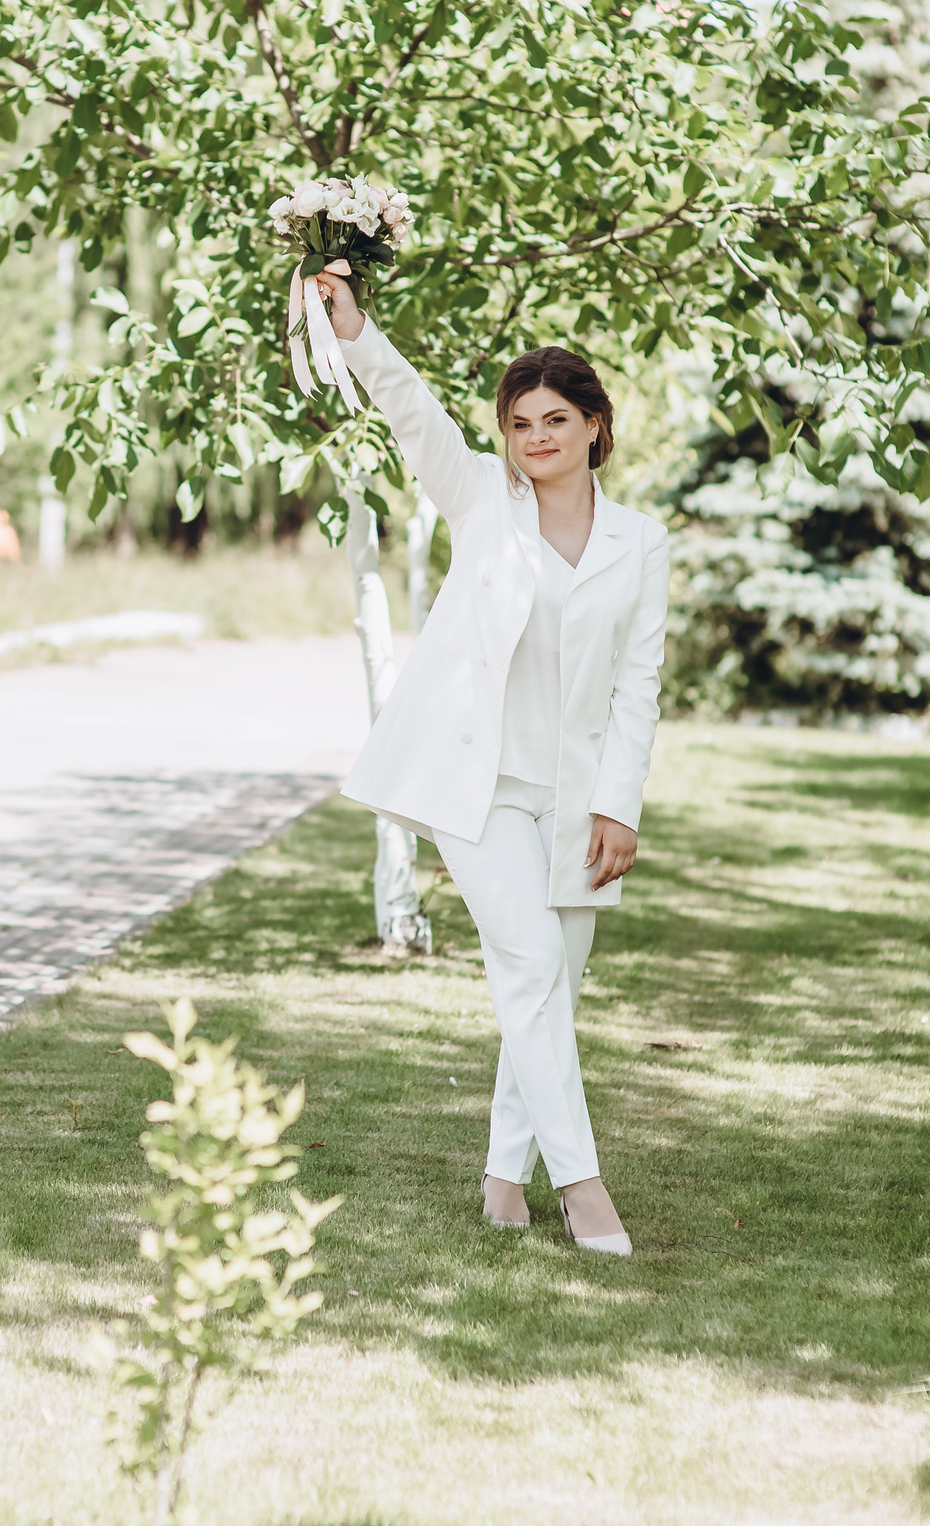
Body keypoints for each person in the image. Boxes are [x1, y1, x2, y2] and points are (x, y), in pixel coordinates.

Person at [315, 266, 666, 1256]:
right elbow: (413, 410)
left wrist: (619, 805)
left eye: (555, 418)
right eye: (520, 423)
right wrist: (355, 331)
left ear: (595, 424)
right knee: (526, 969)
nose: (537, 437)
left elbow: (637, 685)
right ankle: (585, 1192)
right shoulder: (479, 501)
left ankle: (503, 1176)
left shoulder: (641, 543)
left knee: (552, 984)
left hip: (576, 803)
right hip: (475, 791)